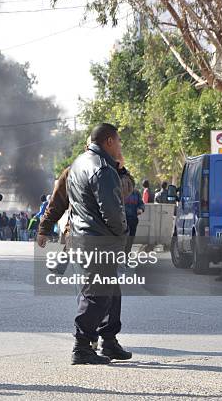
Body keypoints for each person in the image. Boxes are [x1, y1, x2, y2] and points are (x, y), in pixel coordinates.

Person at [66, 123, 131, 365]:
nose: (120, 146)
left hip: (85, 237)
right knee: (97, 295)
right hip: (98, 241)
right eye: (119, 141)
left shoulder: (79, 162)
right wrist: (121, 232)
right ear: (109, 141)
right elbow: (112, 211)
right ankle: (82, 346)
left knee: (111, 292)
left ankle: (109, 341)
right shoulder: (102, 168)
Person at [124, 185, 144, 254]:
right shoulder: (119, 192)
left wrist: (141, 209)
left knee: (130, 240)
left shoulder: (136, 193)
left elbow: (141, 203)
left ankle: (127, 257)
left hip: (133, 220)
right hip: (122, 221)